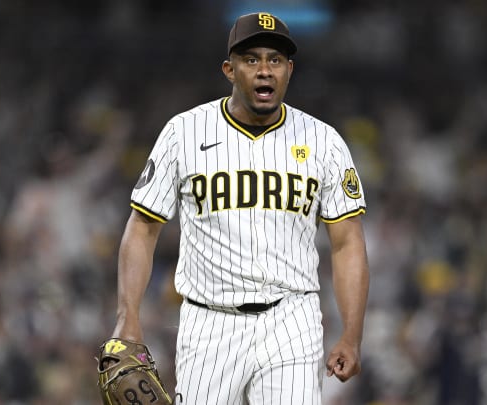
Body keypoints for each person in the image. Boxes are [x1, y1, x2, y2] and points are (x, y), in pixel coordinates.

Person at [108, 12, 370, 404]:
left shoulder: (324, 142)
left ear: (289, 70)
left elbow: (348, 243)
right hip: (210, 321)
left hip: (291, 318)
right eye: (252, 60)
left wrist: (351, 333)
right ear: (230, 69)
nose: (265, 70)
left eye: (275, 60)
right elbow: (142, 229)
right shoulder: (184, 132)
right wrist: (127, 317)